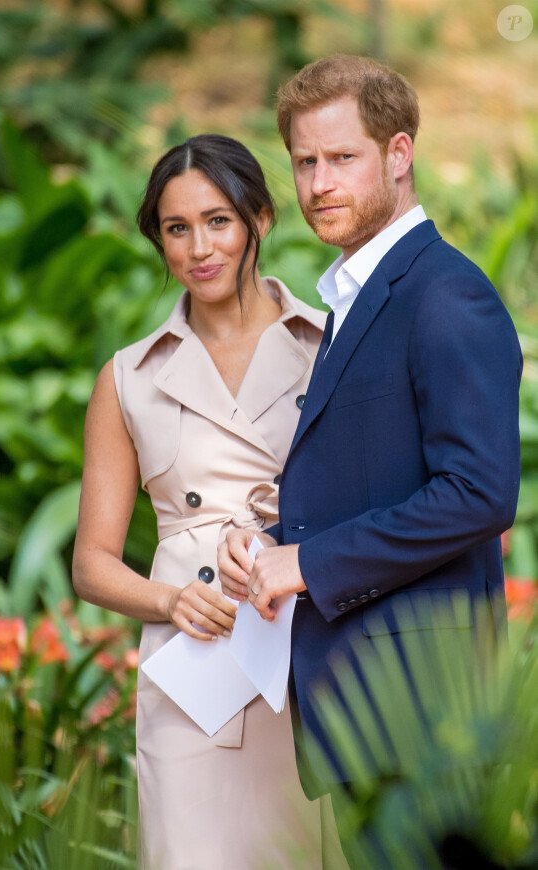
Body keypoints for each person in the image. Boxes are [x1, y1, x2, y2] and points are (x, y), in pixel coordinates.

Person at [218, 55, 522, 865]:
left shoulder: (444, 294)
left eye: (342, 158)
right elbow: (376, 477)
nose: (319, 183)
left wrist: (304, 564)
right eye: (305, 162)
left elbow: (479, 494)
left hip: (424, 714)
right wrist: (270, 539)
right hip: (370, 710)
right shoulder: (358, 297)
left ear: (398, 154)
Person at [72, 134, 333, 870]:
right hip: (196, 671)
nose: (198, 248)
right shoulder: (127, 378)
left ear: (258, 217)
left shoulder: (329, 346)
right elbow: (92, 564)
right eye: (175, 228)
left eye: (218, 220)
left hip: (306, 654)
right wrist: (171, 603)